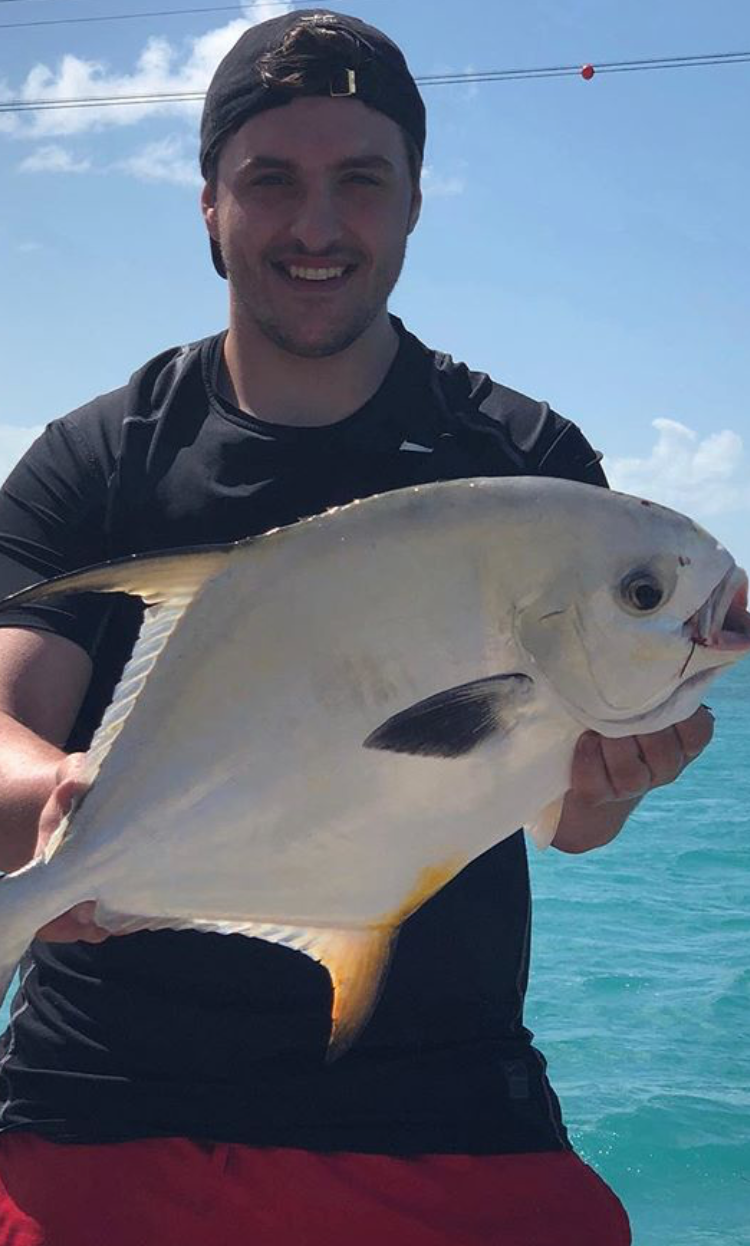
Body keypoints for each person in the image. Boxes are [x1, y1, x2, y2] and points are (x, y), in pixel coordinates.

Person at [0, 10, 713, 1245]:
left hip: (435, 1097)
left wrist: (613, 774)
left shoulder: (530, 469)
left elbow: (567, 817)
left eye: (360, 182)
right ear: (209, 204)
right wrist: (63, 802)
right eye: (271, 180)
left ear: (417, 201)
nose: (317, 226)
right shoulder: (98, 460)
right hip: (98, 1096)